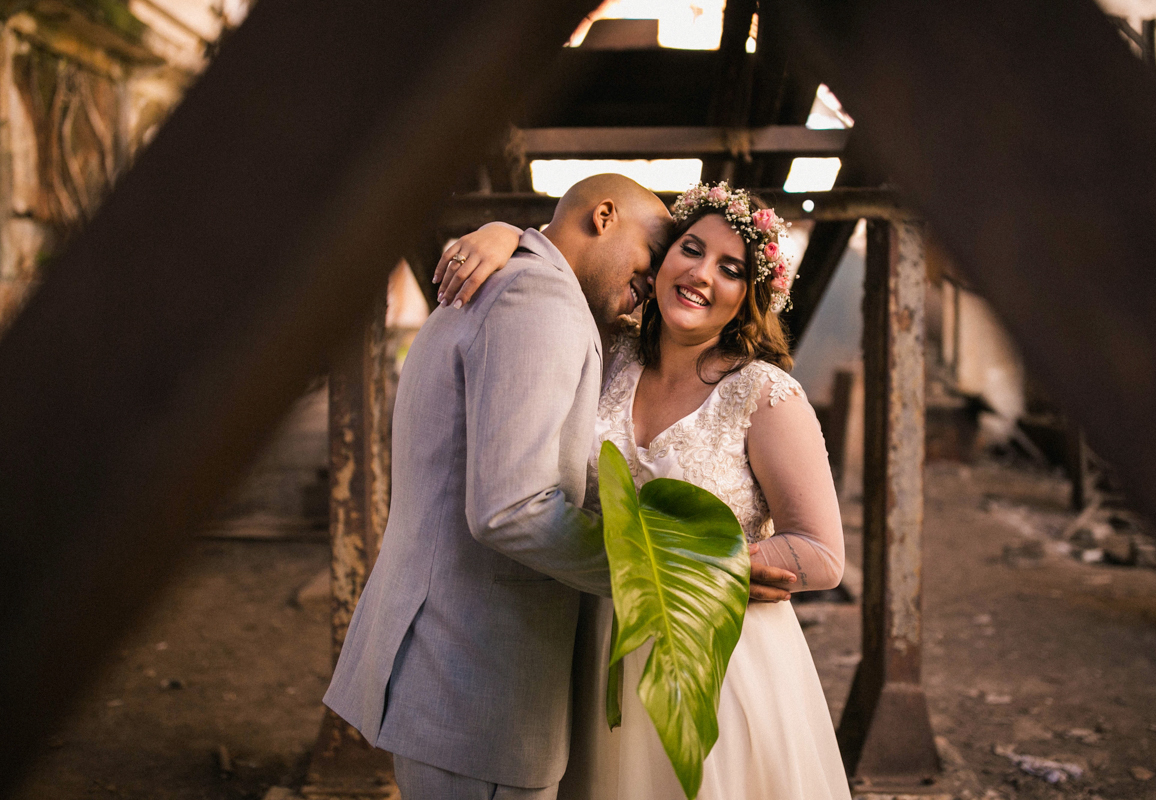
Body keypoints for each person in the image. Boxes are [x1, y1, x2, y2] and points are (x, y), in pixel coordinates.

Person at [323, 174, 797, 800]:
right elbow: (512, 509)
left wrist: (510, 235)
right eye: (654, 254)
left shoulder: (515, 284)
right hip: (480, 682)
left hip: (453, 667)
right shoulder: (539, 301)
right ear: (604, 217)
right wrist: (671, 576)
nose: (652, 280)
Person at [438, 181, 851, 800]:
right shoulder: (607, 350)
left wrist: (706, 568)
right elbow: (561, 262)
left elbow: (822, 553)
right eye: (691, 249)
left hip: (712, 660)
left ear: (750, 298)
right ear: (662, 259)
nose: (702, 274)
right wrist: (503, 237)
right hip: (591, 645)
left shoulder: (764, 395)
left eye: (731, 269)